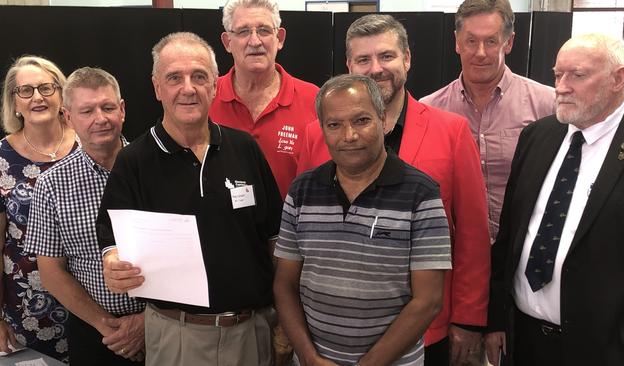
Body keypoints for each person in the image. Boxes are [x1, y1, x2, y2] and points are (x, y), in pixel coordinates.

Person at [296, 14, 490, 366]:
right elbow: (304, 231)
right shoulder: (317, 134)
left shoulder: (452, 132)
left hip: (426, 328)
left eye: (386, 56)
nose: (376, 69)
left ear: (407, 59)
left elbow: (473, 235)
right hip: (330, 338)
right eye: (363, 60)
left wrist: (470, 319)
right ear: (348, 66)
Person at [97, 32, 282, 366]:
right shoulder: (134, 161)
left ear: (214, 86)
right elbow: (112, 242)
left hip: (250, 331)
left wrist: (283, 317)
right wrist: (113, 266)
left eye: (199, 77)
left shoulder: (245, 149)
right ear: (156, 88)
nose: (188, 88)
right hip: (175, 335)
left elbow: (273, 238)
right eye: (174, 78)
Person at [486, 33, 624, 366]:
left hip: (611, 348)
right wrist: (496, 320)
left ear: (618, 79)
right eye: (557, 74)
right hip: (526, 341)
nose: (561, 86)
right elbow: (509, 235)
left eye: (577, 75)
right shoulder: (538, 136)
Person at [275, 73, 451, 366]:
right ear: (322, 129)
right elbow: (284, 285)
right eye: (334, 125)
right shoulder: (302, 190)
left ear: (384, 121)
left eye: (361, 120)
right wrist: (308, 357)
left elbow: (428, 301)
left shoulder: (421, 193)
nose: (349, 136)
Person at [24, 67, 145, 365]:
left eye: (107, 107)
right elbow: (52, 273)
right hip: (95, 333)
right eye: (87, 111)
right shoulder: (52, 185)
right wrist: (107, 326)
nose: (100, 119)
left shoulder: (157, 170)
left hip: (162, 327)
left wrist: (146, 323)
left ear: (123, 109)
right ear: (68, 117)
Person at [420, 0, 555, 245]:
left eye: (491, 41)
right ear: (457, 43)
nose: (480, 52)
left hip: (523, 251)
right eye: (471, 41)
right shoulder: (429, 109)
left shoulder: (548, 105)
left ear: (509, 42)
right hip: (455, 253)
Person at [0, 55, 78, 361]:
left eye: (46, 88)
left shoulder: (94, 141)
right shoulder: (2, 159)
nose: (37, 97)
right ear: (14, 103)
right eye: (26, 91)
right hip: (28, 308)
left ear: (61, 94)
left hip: (97, 299)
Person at [210, 0, 319, 199]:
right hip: (222, 227)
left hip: (290, 228)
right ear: (227, 42)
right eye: (243, 31)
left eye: (264, 30)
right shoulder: (206, 97)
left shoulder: (314, 100)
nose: (255, 41)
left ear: (279, 38)